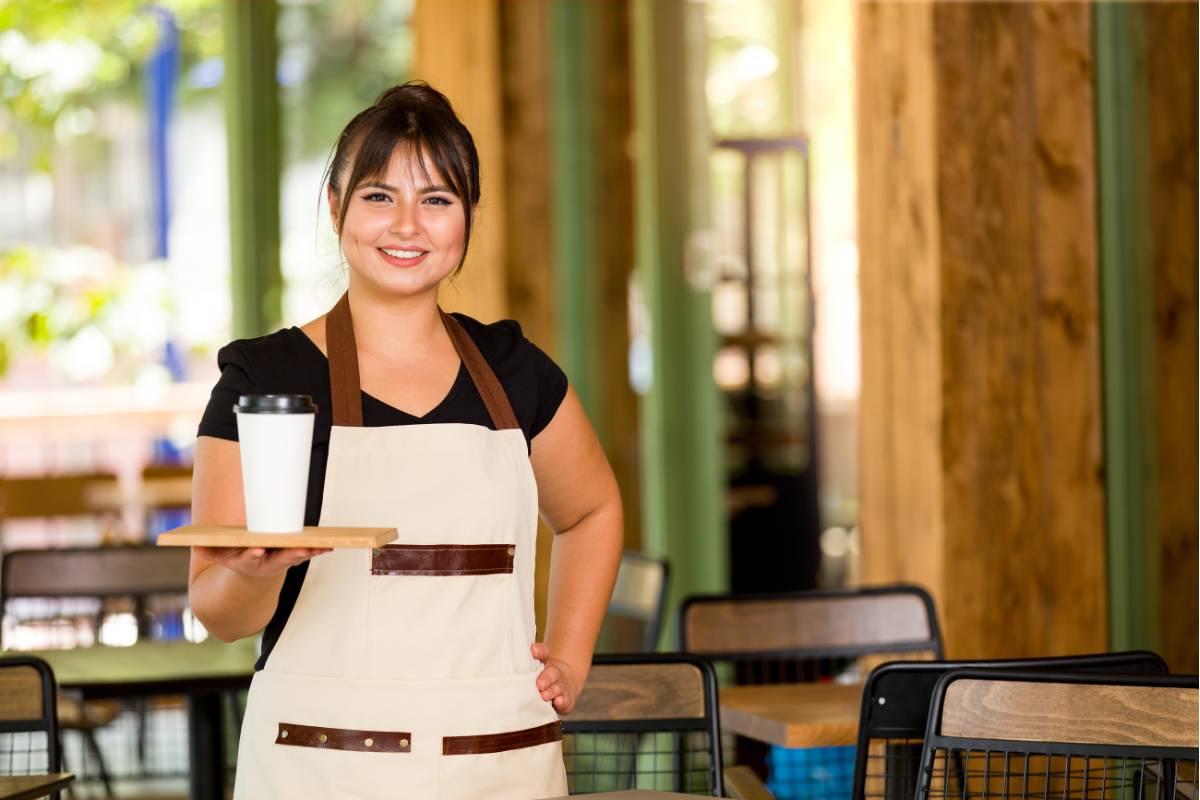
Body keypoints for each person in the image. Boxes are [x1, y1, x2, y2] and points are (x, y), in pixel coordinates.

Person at [188, 81, 623, 799]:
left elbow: (592, 511)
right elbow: (216, 610)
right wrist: (254, 573)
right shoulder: (264, 379)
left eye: (438, 200)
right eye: (379, 196)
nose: (407, 226)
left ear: (469, 218)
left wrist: (570, 657)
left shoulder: (517, 373)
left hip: (499, 759)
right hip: (321, 764)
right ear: (335, 206)